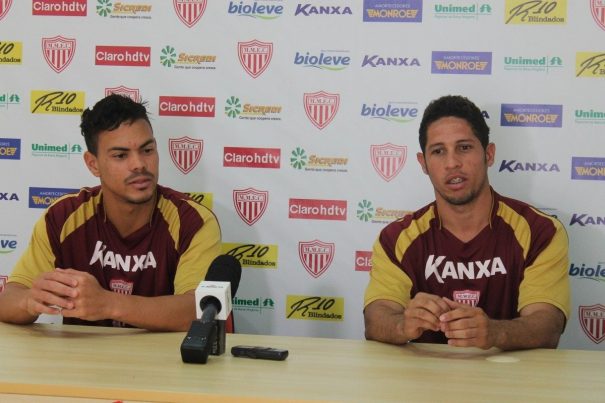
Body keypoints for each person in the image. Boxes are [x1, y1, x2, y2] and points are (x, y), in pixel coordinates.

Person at [364, 95, 570, 350]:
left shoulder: (541, 232)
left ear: (489, 153)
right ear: (423, 163)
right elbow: (375, 318)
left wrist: (495, 333)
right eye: (438, 151)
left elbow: (548, 324)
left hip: (512, 383)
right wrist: (402, 325)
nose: (452, 163)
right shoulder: (396, 238)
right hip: (423, 383)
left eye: (464, 147)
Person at [0, 94, 221, 331]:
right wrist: (29, 301)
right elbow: (8, 300)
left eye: (147, 150)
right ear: (93, 164)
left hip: (168, 364)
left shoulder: (193, 221)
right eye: (120, 155)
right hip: (83, 364)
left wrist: (108, 303)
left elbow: (200, 310)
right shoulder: (63, 217)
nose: (139, 164)